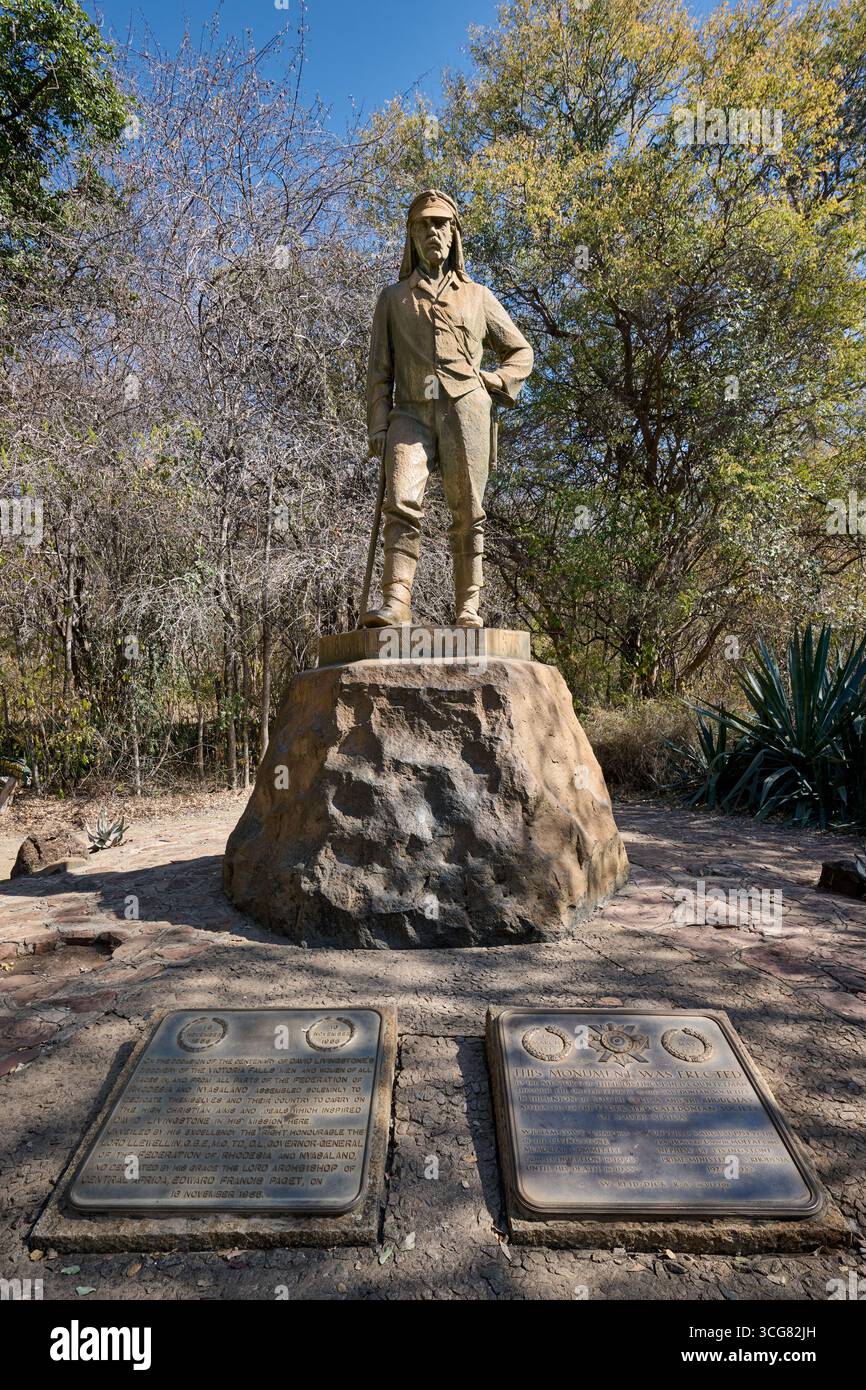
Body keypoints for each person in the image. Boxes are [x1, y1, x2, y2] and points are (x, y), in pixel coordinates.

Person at [363, 188, 533, 628]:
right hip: (410, 412)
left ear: (454, 233)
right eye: (423, 224)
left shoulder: (477, 296)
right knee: (401, 501)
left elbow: (521, 352)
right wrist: (378, 427)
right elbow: (378, 372)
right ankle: (396, 602)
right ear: (412, 235)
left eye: (441, 223)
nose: (432, 231)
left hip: (465, 408)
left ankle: (468, 608)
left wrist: (492, 381)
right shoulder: (393, 298)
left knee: (468, 510)